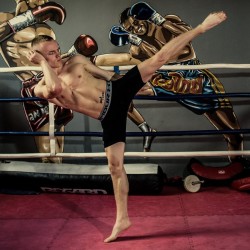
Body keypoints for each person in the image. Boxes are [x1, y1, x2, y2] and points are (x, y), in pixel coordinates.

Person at [26, 11, 227, 243]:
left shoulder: (77, 61)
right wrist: (42, 63)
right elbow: (56, 90)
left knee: (158, 60)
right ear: (36, 57)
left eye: (57, 49)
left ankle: (202, 27)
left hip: (118, 93)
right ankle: (122, 219)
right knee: (115, 167)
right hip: (108, 116)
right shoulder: (40, 87)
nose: (58, 55)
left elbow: (107, 76)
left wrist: (131, 85)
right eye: (51, 53)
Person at [107, 2, 243, 161]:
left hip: (198, 79)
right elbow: (157, 61)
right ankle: (144, 127)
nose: (136, 29)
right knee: (128, 88)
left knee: (234, 134)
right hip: (171, 81)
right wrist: (137, 41)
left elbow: (187, 36)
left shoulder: (168, 22)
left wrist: (158, 19)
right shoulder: (137, 47)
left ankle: (237, 167)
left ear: (143, 16)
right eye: (130, 29)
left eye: (136, 23)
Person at [0, 0, 73, 163]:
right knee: (47, 146)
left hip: (55, 82)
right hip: (34, 86)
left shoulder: (46, 29)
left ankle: (57, 183)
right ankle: (50, 181)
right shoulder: (4, 18)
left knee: (58, 143)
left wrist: (73, 54)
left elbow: (54, 60)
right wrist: (29, 17)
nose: (43, 1)